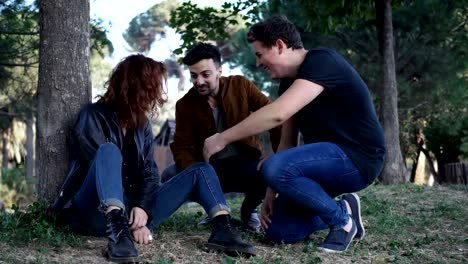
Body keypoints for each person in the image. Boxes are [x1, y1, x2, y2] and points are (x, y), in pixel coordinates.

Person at [203, 16, 386, 253]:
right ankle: (344, 208)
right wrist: (271, 190)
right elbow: (287, 142)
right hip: (323, 165)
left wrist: (222, 138)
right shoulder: (288, 84)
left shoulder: (321, 61)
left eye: (259, 54)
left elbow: (278, 114)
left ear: (280, 45)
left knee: (273, 166)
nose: (258, 63)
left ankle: (342, 223)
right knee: (279, 231)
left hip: (359, 157)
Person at [52, 54, 255, 263]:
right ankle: (119, 234)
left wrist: (142, 209)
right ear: (133, 86)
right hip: (94, 212)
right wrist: (136, 220)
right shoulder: (92, 116)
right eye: (152, 87)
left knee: (202, 170)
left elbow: (150, 173)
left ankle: (223, 229)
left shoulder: (142, 126)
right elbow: (101, 174)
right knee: (108, 151)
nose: (156, 94)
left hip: (135, 210)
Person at [165, 43, 281, 232]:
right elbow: (181, 147)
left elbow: (274, 115)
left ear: (219, 71)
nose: (199, 81)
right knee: (170, 174)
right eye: (194, 76)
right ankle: (215, 210)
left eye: (205, 74)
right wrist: (197, 171)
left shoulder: (240, 85)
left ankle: (249, 210)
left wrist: (278, 154)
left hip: (246, 163)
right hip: (212, 169)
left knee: (272, 169)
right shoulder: (185, 104)